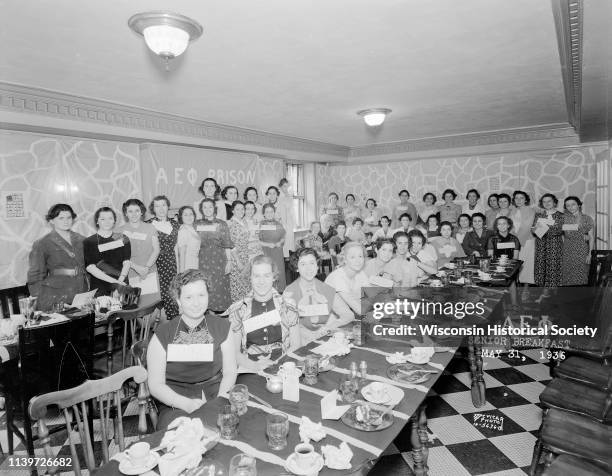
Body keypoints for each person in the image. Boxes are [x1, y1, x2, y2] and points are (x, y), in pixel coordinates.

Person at [147, 270, 237, 429]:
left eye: (201, 295)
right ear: (178, 300)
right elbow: (155, 384)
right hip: (175, 400)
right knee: (182, 439)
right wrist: (186, 404)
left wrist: (221, 399)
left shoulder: (222, 327)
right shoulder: (162, 335)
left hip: (217, 392)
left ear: (208, 296)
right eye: (188, 297)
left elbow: (230, 371)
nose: (196, 303)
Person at [226, 255, 300, 370]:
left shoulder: (288, 306)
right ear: (250, 277)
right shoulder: (238, 310)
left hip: (284, 364)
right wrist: (254, 366)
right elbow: (234, 352)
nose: (261, 281)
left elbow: (296, 345)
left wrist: (278, 365)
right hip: (249, 367)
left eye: (267, 275)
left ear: (274, 277)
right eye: (256, 276)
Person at [284, 248, 353, 344]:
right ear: (297, 268)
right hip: (301, 344)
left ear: (317, 266)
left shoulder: (327, 289)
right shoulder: (290, 293)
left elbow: (348, 315)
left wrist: (329, 327)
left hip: (325, 340)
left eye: (312, 263)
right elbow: (286, 326)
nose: (309, 268)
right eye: (303, 264)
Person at [27, 204, 88, 311]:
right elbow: (35, 276)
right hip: (56, 295)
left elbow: (90, 266)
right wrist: (43, 300)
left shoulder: (82, 240)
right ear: (51, 220)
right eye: (61, 218)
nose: (66, 221)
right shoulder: (42, 243)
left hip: (82, 291)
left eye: (69, 218)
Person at [196, 198, 233, 313]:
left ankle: (221, 318)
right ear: (201, 209)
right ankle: (208, 316)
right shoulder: (196, 224)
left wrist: (229, 261)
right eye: (205, 207)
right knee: (205, 287)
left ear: (214, 208)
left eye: (210, 207)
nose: (207, 209)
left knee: (219, 288)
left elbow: (227, 243)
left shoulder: (221, 224)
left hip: (219, 260)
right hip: (202, 261)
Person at [84, 207, 131, 297]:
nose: (107, 222)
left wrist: (120, 281)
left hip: (122, 283)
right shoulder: (89, 241)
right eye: (103, 219)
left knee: (125, 310)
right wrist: (115, 282)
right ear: (97, 221)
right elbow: (90, 267)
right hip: (100, 285)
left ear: (114, 221)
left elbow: (127, 261)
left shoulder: (123, 238)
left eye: (110, 218)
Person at [148, 196, 180, 320]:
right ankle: (158, 327)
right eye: (157, 206)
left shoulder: (175, 224)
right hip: (155, 265)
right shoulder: (149, 225)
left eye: (163, 205)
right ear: (153, 209)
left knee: (173, 293)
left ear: (168, 207)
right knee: (157, 296)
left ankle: (174, 323)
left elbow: (178, 247)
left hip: (172, 264)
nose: (161, 209)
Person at [119, 199, 160, 295]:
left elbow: (156, 250)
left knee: (153, 304)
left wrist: (146, 268)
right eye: (130, 211)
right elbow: (120, 255)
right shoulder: (120, 231)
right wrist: (138, 268)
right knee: (136, 303)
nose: (134, 214)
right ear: (125, 213)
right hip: (131, 271)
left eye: (137, 211)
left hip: (149, 270)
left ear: (141, 212)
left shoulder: (151, 227)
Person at [325, 242, 369, 317]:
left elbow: (371, 295)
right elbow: (358, 309)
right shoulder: (338, 277)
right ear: (345, 259)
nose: (357, 260)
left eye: (360, 256)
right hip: (325, 318)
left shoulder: (360, 273)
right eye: (352, 257)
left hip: (345, 314)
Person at [561, 196, 594, 286]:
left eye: (573, 204)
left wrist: (590, 254)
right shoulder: (563, 218)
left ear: (579, 205)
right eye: (567, 205)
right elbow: (562, 235)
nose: (570, 207)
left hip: (581, 249)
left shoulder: (587, 218)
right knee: (567, 273)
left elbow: (591, 237)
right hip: (567, 249)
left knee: (581, 273)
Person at [533, 194, 563, 287]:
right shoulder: (538, 215)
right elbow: (533, 230)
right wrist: (538, 229)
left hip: (555, 246)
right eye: (544, 201)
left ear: (554, 202)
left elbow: (559, 230)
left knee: (553, 267)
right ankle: (542, 291)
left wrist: (541, 229)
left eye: (549, 201)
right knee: (540, 267)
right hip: (541, 245)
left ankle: (553, 292)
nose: (546, 203)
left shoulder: (561, 215)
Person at [509, 191, 536, 284]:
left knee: (527, 266)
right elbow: (510, 226)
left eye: (522, 198)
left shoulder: (530, 210)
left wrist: (515, 240)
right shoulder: (513, 210)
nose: (519, 200)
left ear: (526, 200)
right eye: (516, 198)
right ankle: (516, 286)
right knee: (516, 265)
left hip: (526, 241)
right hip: (514, 242)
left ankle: (526, 289)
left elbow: (526, 227)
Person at [259, 203, 287, 292]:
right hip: (265, 252)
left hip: (277, 252)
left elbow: (283, 237)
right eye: (267, 212)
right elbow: (256, 240)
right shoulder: (260, 225)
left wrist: (280, 242)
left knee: (278, 271)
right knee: (267, 271)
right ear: (263, 213)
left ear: (274, 212)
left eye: (271, 211)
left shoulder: (278, 224)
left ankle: (279, 291)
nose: (269, 213)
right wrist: (267, 244)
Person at [228, 201, 251, 301]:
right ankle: (237, 312)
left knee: (246, 284)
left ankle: (246, 311)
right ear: (233, 210)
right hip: (237, 259)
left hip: (245, 256)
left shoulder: (243, 221)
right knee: (238, 285)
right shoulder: (232, 224)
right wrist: (238, 262)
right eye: (238, 209)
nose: (241, 211)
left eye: (242, 209)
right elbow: (232, 245)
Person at [177, 205, 201, 272]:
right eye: (185, 215)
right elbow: (182, 253)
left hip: (195, 263)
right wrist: (182, 273)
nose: (189, 217)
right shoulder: (183, 230)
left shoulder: (192, 228)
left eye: (191, 214)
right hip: (188, 266)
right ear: (181, 217)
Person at [276, 179, 295, 258]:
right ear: (280, 187)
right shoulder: (279, 197)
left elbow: (292, 211)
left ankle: (289, 259)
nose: (286, 188)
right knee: (283, 243)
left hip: (289, 222)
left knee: (289, 242)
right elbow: (278, 212)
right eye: (284, 186)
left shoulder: (289, 196)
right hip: (281, 222)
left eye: (287, 186)